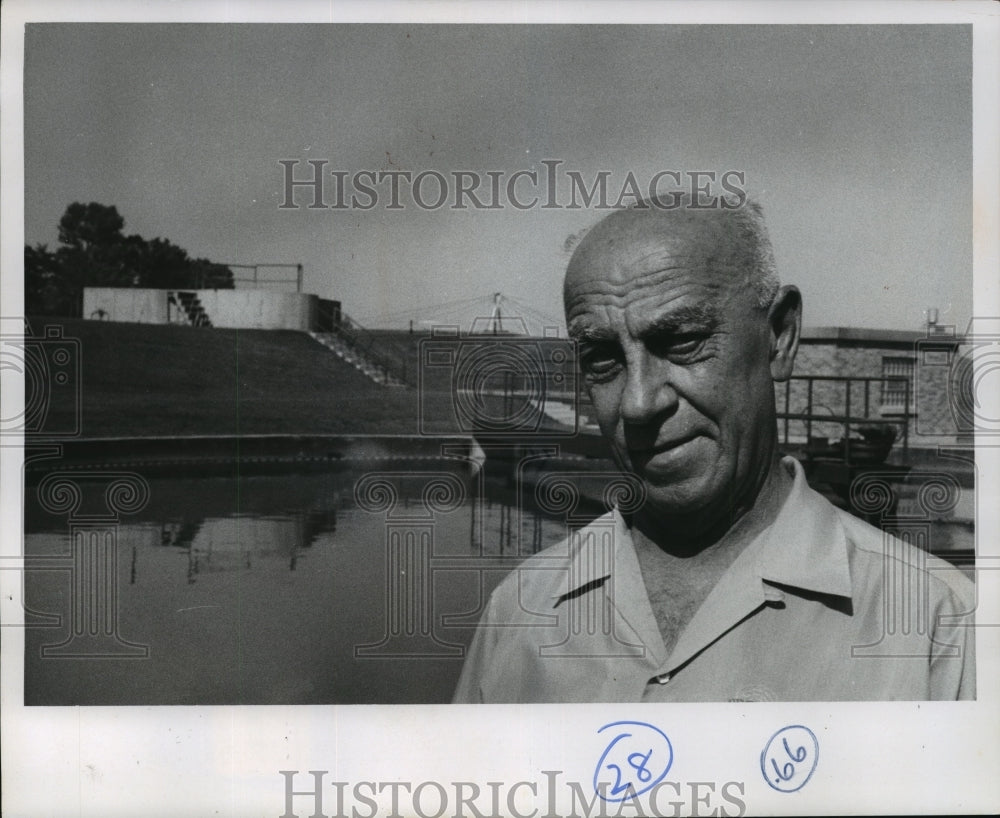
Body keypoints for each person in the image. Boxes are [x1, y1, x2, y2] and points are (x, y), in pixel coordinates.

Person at [453, 196, 975, 702]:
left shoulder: (939, 627)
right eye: (602, 358)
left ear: (780, 336)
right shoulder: (519, 612)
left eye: (682, 341)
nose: (638, 403)